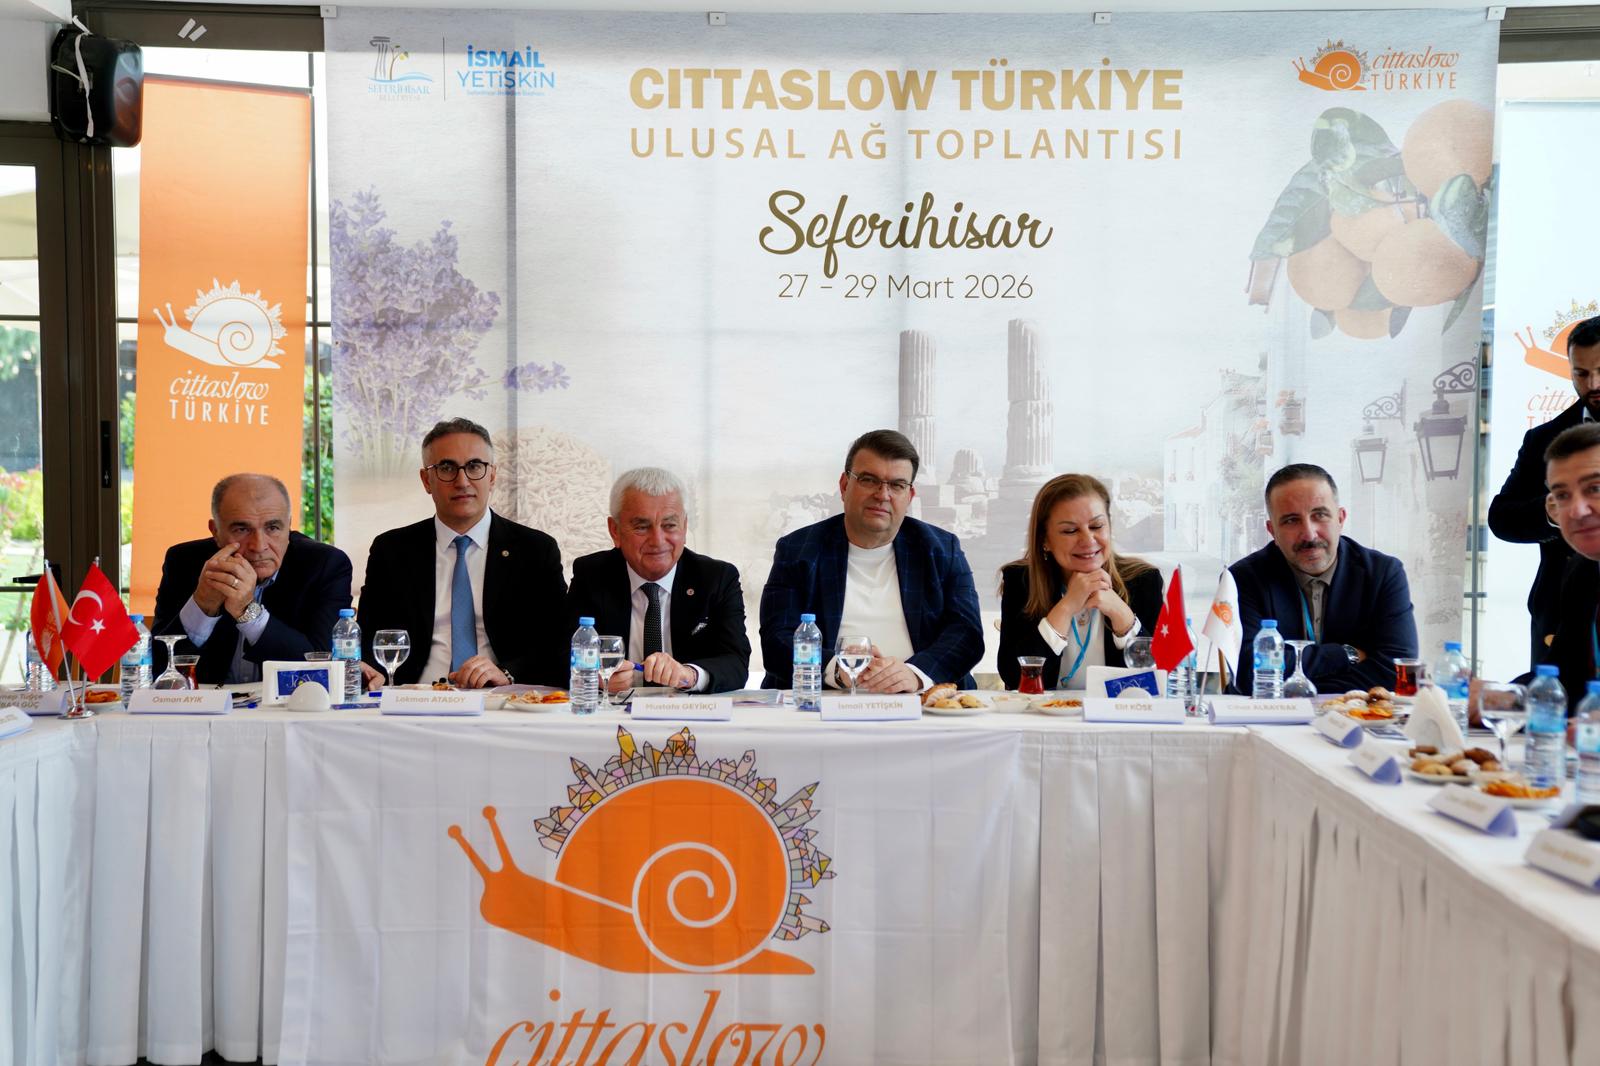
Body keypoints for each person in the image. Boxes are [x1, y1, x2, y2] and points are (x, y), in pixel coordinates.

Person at [759, 429, 983, 692]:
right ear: (844, 486)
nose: (883, 494)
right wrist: (837, 669)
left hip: (922, 699)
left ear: (909, 496)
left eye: (897, 485)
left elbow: (966, 633)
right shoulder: (799, 549)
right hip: (823, 700)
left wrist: (914, 673)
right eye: (868, 480)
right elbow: (777, 638)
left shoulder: (942, 549)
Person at [356, 417, 568, 688]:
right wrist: (369, 672)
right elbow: (369, 639)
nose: (462, 481)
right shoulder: (392, 551)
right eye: (446, 468)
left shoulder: (535, 550)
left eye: (474, 466)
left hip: (502, 697)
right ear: (426, 480)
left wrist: (507, 672)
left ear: (492, 476)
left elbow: (557, 642)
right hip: (416, 696)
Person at [1230, 462, 1418, 694]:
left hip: (1358, 714)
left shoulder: (1384, 573)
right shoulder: (1243, 579)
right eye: (1291, 520)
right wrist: (1345, 654)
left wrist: (1301, 687)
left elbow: (1394, 671)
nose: (1309, 534)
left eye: (1319, 515)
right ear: (1272, 531)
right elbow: (1248, 673)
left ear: (1340, 519)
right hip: (1273, 716)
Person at [151, 473, 353, 684]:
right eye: (242, 529)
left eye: (273, 528)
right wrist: (203, 605)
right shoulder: (185, 562)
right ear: (215, 531)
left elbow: (322, 668)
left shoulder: (325, 565)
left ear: (289, 526)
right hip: (207, 703)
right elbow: (155, 670)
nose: (259, 545)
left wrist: (248, 611)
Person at [566, 467, 751, 693]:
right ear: (615, 531)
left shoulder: (717, 578)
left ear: (684, 526)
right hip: (614, 709)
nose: (657, 540)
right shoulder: (592, 574)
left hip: (688, 710)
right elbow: (558, 654)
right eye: (642, 527)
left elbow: (735, 662)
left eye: (669, 525)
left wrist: (689, 675)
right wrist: (591, 678)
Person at [1488, 314, 1600, 671]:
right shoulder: (1544, 438)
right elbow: (1501, 518)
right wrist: (1553, 510)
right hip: (1560, 615)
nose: (1593, 384)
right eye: (1581, 373)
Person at [996, 474, 1163, 691]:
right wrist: (1066, 607)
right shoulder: (1021, 581)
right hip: (1044, 712)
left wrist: (1123, 617)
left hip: (1116, 711)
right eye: (1070, 530)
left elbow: (1157, 679)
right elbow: (1013, 677)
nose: (1088, 540)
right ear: (1044, 540)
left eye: (1097, 526)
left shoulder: (1143, 581)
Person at [1532, 422, 1600, 710]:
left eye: (1595, 488)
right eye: (1562, 495)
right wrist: (1503, 696)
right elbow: (1564, 677)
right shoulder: (1583, 571)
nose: (1577, 510)